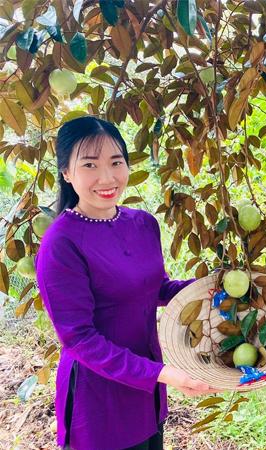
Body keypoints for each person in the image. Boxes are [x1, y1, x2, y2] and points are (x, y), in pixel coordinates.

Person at [35, 116, 218, 450]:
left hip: (147, 390)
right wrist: (162, 374)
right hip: (99, 401)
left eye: (116, 162)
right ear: (66, 172)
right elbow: (80, 339)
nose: (107, 177)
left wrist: (212, 287)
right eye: (90, 164)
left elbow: (155, 289)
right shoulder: (61, 243)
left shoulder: (143, 223)